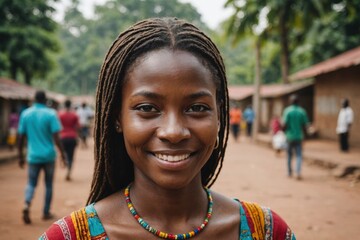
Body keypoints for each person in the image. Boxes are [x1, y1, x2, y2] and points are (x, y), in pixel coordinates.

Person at [40, 18, 296, 239]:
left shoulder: (266, 232)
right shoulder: (70, 236)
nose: (173, 132)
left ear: (219, 115)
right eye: (147, 108)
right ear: (117, 117)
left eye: (196, 108)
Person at [18, 90, 67, 224]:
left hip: (33, 156)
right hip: (49, 156)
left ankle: (27, 204)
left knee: (31, 183)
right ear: (46, 100)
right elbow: (57, 138)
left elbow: (21, 137)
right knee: (49, 184)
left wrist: (20, 156)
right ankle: (46, 212)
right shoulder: (51, 114)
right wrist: (63, 154)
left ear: (34, 99)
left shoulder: (26, 114)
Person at [282, 94, 309, 180]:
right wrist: (305, 136)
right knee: (299, 155)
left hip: (289, 136)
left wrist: (284, 132)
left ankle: (289, 172)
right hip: (299, 137)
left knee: (289, 155)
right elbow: (305, 126)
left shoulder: (287, 111)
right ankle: (298, 172)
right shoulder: (302, 111)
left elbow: (284, 125)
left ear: (290, 101)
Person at [59, 99, 80, 180]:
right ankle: (68, 171)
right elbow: (78, 127)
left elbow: (57, 128)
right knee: (71, 156)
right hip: (72, 137)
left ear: (64, 105)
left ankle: (64, 162)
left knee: (64, 153)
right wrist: (77, 137)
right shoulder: (74, 115)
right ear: (70, 105)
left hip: (63, 137)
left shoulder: (60, 115)